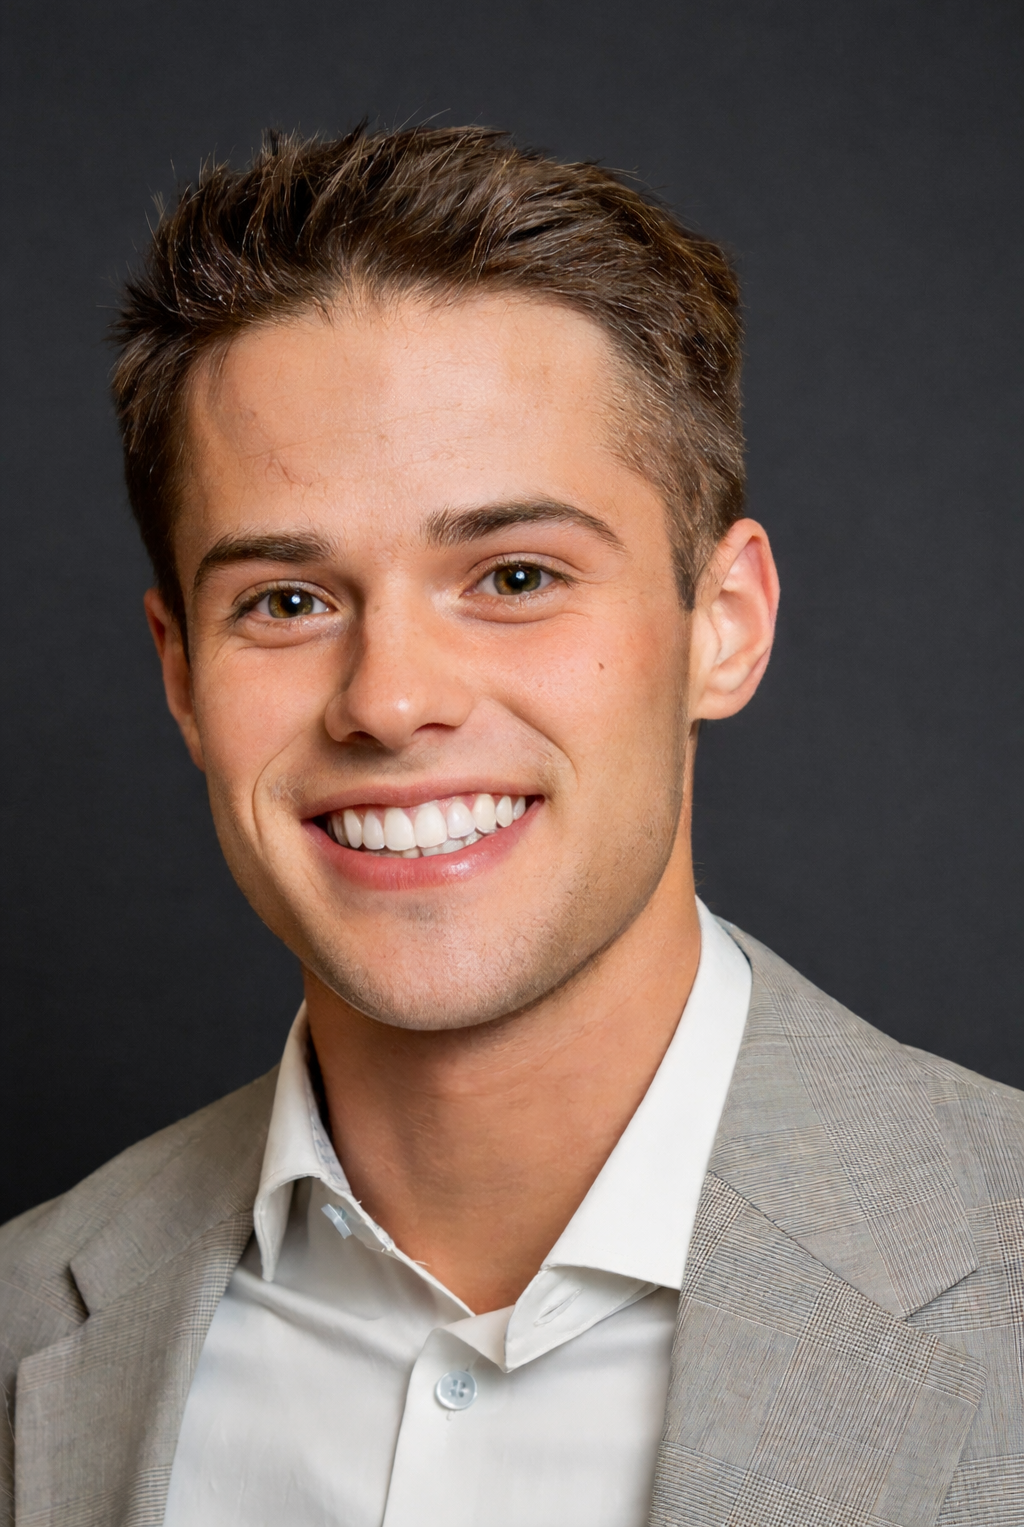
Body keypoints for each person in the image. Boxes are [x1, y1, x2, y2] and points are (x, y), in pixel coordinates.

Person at [1, 125, 1020, 1527]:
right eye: (287, 601)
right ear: (182, 673)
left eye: (517, 574)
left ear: (723, 625)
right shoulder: (24, 1327)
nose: (392, 699)